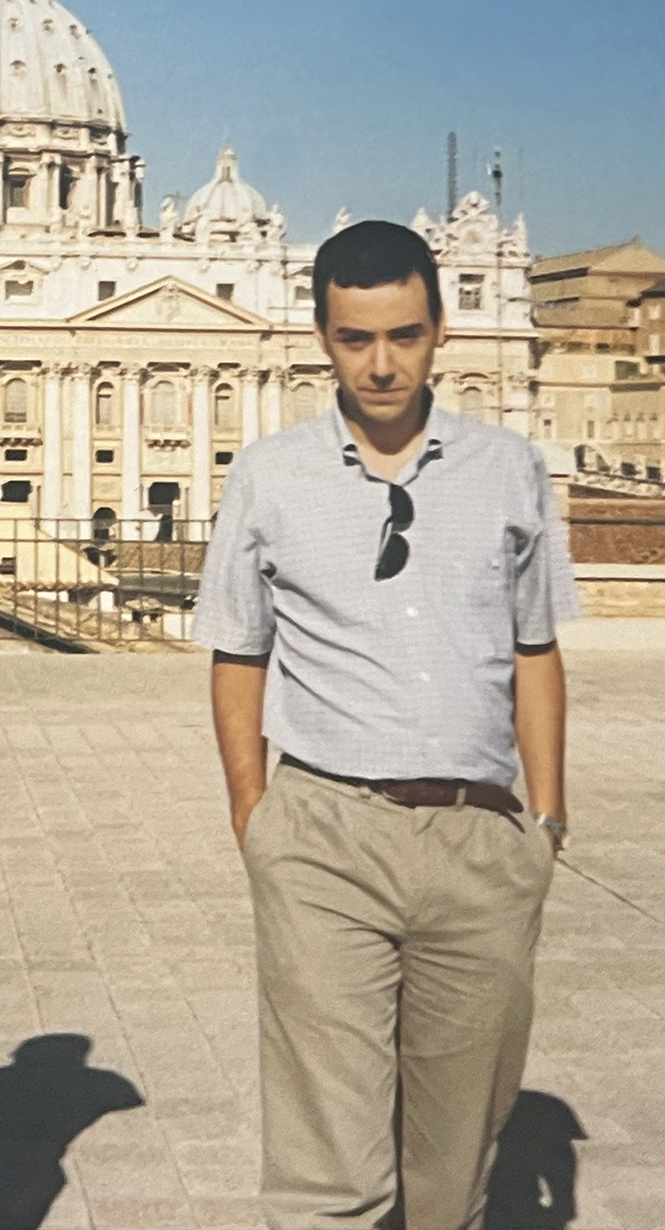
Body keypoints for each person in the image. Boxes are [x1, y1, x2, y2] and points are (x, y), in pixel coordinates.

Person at [194, 219, 578, 1230]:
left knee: (453, 1178)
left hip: (480, 837)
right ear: (320, 334)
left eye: (403, 335)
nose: (381, 362)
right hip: (323, 833)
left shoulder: (511, 469)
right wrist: (257, 821)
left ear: (441, 329)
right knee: (331, 1177)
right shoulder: (269, 475)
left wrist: (547, 821)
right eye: (356, 337)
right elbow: (238, 654)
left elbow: (536, 648)